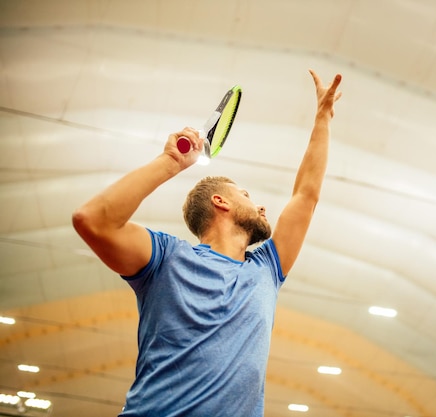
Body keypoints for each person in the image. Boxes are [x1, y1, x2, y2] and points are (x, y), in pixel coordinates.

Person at [72, 69, 342, 417]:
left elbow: (306, 195)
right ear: (220, 202)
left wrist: (322, 118)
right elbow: (91, 220)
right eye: (246, 195)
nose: (261, 205)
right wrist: (170, 162)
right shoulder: (166, 259)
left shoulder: (266, 271)